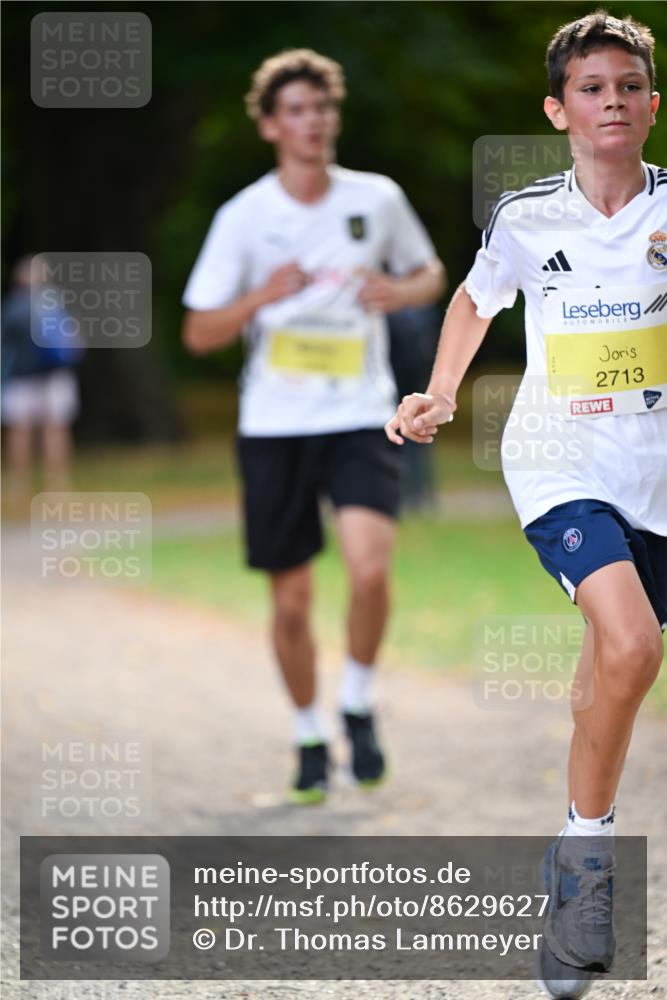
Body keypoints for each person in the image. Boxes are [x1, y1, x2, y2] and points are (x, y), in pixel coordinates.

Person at [386, 11, 665, 999]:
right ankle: (589, 865)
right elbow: (474, 299)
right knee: (631, 645)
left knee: (610, 664)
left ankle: (568, 844)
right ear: (559, 110)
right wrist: (441, 391)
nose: (612, 103)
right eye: (591, 88)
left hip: (659, 473)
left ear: (652, 104)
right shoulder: (526, 214)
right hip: (557, 456)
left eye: (628, 86)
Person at [181, 49, 445, 803]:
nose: (313, 122)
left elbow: (429, 273)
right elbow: (199, 333)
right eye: (295, 110)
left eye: (322, 107)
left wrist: (397, 290)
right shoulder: (244, 216)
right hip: (274, 424)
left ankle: (356, 701)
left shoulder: (377, 197)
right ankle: (306, 733)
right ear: (270, 125)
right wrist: (260, 296)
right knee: (290, 600)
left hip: (362, 412)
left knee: (369, 569)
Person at [2, 255, 84, 511]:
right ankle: (58, 488)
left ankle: (19, 487)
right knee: (55, 430)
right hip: (54, 376)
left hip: (19, 378)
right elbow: (74, 343)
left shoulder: (12, 307)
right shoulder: (53, 304)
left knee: (20, 431)